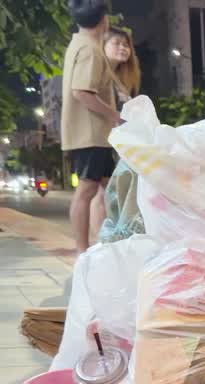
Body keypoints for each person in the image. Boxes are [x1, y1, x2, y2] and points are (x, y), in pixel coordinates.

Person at [60, 0, 121, 254]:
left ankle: (105, 244)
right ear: (103, 20)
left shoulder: (79, 44)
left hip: (96, 135)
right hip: (90, 134)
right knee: (86, 191)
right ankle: (82, 251)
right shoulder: (90, 50)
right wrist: (115, 115)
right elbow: (81, 92)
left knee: (110, 188)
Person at [105, 27, 141, 107]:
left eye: (125, 45)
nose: (122, 48)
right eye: (116, 43)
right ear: (102, 45)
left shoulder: (124, 79)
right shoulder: (98, 74)